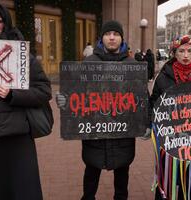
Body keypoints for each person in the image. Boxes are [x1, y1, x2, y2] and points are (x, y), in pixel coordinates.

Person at [57, 20, 135, 200]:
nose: (112, 38)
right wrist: (65, 101)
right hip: (94, 133)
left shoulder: (132, 65)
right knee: (91, 173)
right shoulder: (89, 62)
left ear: (122, 38)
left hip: (122, 133)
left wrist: (144, 123)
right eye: (108, 34)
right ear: (102, 37)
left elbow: (141, 98)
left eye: (116, 34)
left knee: (122, 176)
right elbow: (77, 93)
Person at [0, 1, 52, 199]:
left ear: (6, 23)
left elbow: (43, 91)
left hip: (18, 140)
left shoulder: (23, 57)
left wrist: (12, 94)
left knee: (23, 191)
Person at [149, 35, 191, 200]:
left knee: (189, 181)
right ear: (174, 53)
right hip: (170, 138)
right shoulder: (164, 76)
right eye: (181, 51)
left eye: (190, 51)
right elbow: (154, 103)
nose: (186, 55)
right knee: (167, 177)